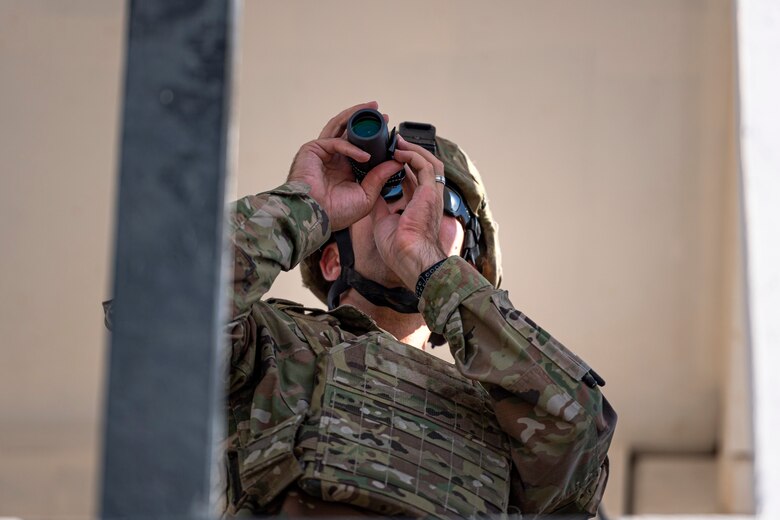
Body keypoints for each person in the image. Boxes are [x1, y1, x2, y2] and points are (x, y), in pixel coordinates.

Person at [221, 101, 616, 518]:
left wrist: (427, 264)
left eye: (441, 200)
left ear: (468, 264)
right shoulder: (265, 343)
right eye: (384, 189)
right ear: (332, 258)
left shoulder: (507, 415)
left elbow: (580, 437)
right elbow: (173, 299)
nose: (410, 207)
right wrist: (304, 204)